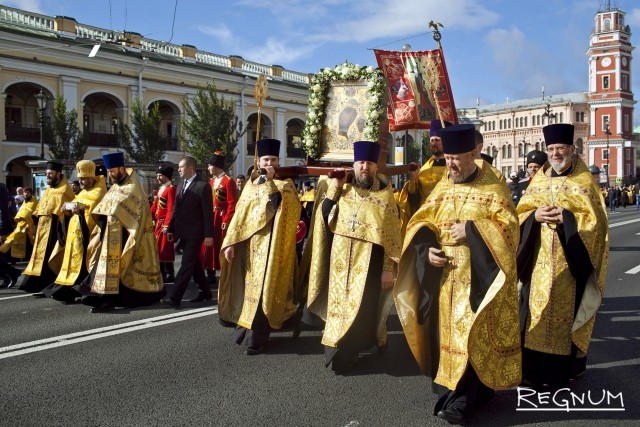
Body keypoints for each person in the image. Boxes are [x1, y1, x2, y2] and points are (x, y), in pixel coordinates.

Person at [394, 124, 521, 425]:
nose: (451, 164)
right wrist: (427, 252)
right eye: (448, 157)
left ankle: (462, 401)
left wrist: (473, 230)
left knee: (470, 335)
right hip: (443, 279)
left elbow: (509, 229)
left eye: (458, 158)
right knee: (446, 336)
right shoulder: (443, 185)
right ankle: (459, 389)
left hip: (477, 277)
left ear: (474, 153)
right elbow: (420, 222)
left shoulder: (492, 187)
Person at [516, 123, 609, 390]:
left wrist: (567, 218)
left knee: (563, 318)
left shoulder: (583, 181)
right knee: (534, 313)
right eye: (552, 149)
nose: (556, 154)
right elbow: (520, 214)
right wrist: (535, 217)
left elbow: (596, 225)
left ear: (571, 149)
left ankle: (558, 376)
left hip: (571, 263)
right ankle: (531, 373)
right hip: (538, 263)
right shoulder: (539, 180)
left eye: (561, 148)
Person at [306, 141, 402, 374]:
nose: (364, 168)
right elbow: (324, 216)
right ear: (354, 164)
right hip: (339, 265)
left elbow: (391, 239)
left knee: (363, 311)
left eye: (369, 163)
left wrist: (387, 269)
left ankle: (349, 352)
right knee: (338, 308)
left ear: (375, 167)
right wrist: (335, 187)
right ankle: (338, 348)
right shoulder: (344, 192)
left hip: (370, 265)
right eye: (360, 163)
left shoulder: (386, 197)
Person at [219, 138, 302, 355]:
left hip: (273, 249)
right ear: (258, 160)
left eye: (274, 159)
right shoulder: (250, 184)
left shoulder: (286, 185)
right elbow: (240, 216)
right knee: (248, 290)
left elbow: (289, 212)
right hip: (250, 249)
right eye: (266, 159)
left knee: (266, 292)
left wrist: (271, 182)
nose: (271, 163)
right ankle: (245, 329)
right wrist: (231, 243)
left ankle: (257, 339)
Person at [81, 152, 166, 313]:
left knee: (118, 270)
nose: (110, 175)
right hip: (110, 234)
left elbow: (135, 213)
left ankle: (109, 300)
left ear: (121, 169)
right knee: (105, 268)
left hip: (126, 235)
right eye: (108, 172)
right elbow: (106, 206)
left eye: (112, 171)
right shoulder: (115, 187)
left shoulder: (133, 187)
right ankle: (103, 297)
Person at [45, 160, 107, 303]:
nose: (81, 182)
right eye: (80, 179)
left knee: (85, 266)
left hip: (89, 236)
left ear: (92, 178)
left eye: (84, 179)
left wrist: (80, 211)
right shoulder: (82, 192)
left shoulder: (99, 192)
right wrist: (66, 212)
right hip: (74, 236)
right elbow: (74, 209)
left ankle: (82, 291)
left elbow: (94, 213)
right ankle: (68, 290)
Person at [162, 156, 214, 308]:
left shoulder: (202, 186)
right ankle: (205, 292)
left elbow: (207, 213)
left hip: (196, 233)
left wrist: (209, 235)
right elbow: (175, 210)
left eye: (181, 167)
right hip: (183, 232)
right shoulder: (180, 185)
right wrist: (171, 228)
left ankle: (174, 297)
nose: (178, 170)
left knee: (186, 264)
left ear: (190, 168)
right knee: (194, 264)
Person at [17, 161, 75, 294]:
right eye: (47, 174)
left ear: (59, 174)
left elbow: (67, 211)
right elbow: (40, 207)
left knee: (49, 257)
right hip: (42, 228)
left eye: (50, 173)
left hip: (55, 229)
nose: (48, 176)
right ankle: (35, 285)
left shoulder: (65, 190)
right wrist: (34, 220)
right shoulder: (48, 190)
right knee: (38, 257)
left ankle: (50, 285)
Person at [396, 119, 451, 235]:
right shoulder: (424, 170)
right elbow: (414, 200)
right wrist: (413, 179)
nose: (433, 143)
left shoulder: (453, 168)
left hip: (447, 218)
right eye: (431, 140)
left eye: (437, 140)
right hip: (426, 221)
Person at [201, 151, 237, 287]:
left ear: (216, 166)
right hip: (211, 216)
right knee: (208, 245)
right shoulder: (210, 182)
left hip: (221, 218)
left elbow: (232, 203)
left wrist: (227, 220)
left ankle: (224, 273)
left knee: (221, 245)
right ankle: (210, 273)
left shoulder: (228, 181)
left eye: (210, 165)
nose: (208, 168)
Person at [150, 165, 176, 284]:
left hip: (164, 223)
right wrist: (148, 216)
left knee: (165, 248)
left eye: (160, 175)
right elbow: (155, 206)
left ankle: (169, 273)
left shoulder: (171, 189)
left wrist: (167, 225)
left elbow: (171, 208)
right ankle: (161, 273)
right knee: (158, 248)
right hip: (158, 223)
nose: (158, 177)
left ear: (166, 176)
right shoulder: (161, 188)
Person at [0, 187, 37, 264]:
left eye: (28, 192)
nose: (26, 194)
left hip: (29, 227)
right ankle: (12, 258)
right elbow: (20, 212)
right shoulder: (25, 202)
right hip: (19, 226)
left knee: (26, 244)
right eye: (25, 192)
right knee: (11, 240)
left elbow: (33, 214)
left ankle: (24, 258)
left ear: (31, 193)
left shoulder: (34, 202)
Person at [0, 183, 21, 288]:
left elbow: (2, 210)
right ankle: (10, 274)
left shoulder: (0, 188)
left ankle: (10, 274)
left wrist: (2, 231)